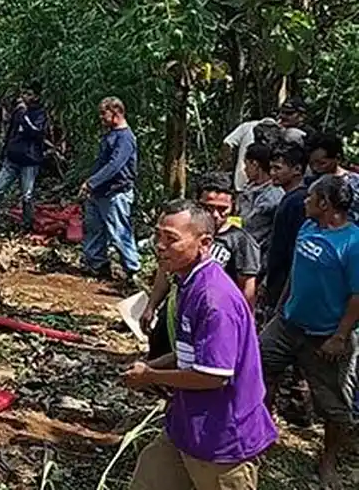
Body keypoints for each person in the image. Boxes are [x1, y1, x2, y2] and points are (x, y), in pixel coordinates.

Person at [124, 200, 277, 490]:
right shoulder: (187, 283)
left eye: (171, 239)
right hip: (187, 424)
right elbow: (190, 350)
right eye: (158, 235)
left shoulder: (214, 300)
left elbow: (212, 375)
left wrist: (150, 377)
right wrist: (152, 365)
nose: (159, 246)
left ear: (204, 242)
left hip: (221, 438)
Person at [260, 174, 359, 489]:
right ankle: (261, 436)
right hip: (287, 324)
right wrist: (279, 306)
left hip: (325, 335)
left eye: (310, 197)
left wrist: (340, 336)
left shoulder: (353, 243)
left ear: (325, 204)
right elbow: (296, 269)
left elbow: (358, 296)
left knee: (333, 405)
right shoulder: (307, 227)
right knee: (259, 369)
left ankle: (328, 461)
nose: (304, 201)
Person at [143, 172, 263, 358]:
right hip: (176, 309)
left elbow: (247, 287)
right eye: (208, 208)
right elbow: (165, 272)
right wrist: (151, 305)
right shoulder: (181, 236)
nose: (215, 215)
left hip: (210, 314)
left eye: (223, 209)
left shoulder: (240, 241)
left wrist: (245, 325)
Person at [80, 96, 141, 280]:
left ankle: (132, 270)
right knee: (94, 228)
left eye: (104, 114)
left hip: (116, 192)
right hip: (100, 191)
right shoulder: (110, 134)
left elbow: (115, 165)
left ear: (116, 113)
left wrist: (92, 182)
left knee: (119, 232)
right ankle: (97, 264)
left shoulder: (125, 138)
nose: (101, 118)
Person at [0, 81, 47, 232]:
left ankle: (27, 224)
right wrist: (3, 153)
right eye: (24, 93)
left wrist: (24, 115)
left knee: (27, 195)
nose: (25, 97)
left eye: (29, 94)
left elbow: (36, 133)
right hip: (12, 159)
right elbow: (10, 133)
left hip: (29, 161)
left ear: (36, 97)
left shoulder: (40, 114)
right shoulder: (18, 112)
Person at [262, 144, 309, 314]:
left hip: (285, 286)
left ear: (297, 169)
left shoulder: (297, 202)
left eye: (278, 168)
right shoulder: (288, 199)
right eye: (271, 168)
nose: (272, 173)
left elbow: (292, 249)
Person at [222, 104, 308, 192]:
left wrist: (227, 169)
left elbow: (227, 144)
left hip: (253, 182)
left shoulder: (249, 126)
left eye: (288, 113)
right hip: (256, 182)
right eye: (283, 113)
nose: (284, 116)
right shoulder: (251, 127)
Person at [237, 143, 284, 257]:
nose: (245, 169)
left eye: (247, 165)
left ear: (255, 164)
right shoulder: (249, 188)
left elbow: (250, 225)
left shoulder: (272, 196)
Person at [304, 131, 359, 223]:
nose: (316, 168)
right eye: (311, 164)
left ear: (337, 158)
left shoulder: (354, 183)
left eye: (322, 163)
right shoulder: (309, 182)